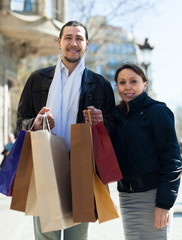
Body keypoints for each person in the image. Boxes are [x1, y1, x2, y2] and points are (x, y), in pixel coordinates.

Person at [16, 20, 115, 240]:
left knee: (77, 237)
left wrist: (102, 122)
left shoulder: (100, 85)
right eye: (68, 38)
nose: (73, 43)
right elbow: (20, 122)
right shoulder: (37, 79)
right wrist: (35, 124)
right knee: (46, 236)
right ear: (59, 42)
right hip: (45, 165)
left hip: (83, 166)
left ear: (86, 44)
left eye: (79, 38)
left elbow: (114, 130)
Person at [84, 62, 182, 240]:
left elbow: (172, 161)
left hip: (153, 196)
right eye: (122, 82)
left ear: (144, 84)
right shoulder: (117, 115)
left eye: (133, 81)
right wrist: (99, 122)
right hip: (127, 197)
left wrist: (164, 204)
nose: (127, 87)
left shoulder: (158, 111)